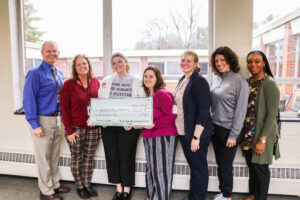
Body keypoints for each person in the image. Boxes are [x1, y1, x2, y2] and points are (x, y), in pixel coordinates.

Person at [23, 41, 70, 200]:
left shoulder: (58, 71)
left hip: (56, 119)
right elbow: (28, 100)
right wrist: (34, 124)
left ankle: (55, 184)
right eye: (48, 51)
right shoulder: (35, 73)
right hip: (42, 120)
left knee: (54, 155)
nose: (52, 54)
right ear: (42, 53)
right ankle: (46, 191)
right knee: (43, 157)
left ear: (58, 52)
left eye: (54, 51)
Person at [98, 52, 145, 200]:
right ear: (112, 66)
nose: (117, 65)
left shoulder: (137, 80)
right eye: (114, 63)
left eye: (120, 61)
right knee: (112, 157)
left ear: (125, 62)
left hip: (128, 127)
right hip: (109, 126)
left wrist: (131, 121)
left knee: (126, 157)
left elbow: (141, 103)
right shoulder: (106, 80)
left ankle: (127, 189)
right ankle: (118, 188)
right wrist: (101, 122)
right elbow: (101, 102)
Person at [210, 46, 249, 200]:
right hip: (215, 128)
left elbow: (241, 110)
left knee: (226, 165)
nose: (219, 63)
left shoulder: (239, 81)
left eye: (222, 60)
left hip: (230, 131)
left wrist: (234, 134)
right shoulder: (215, 78)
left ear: (229, 60)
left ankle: (227, 196)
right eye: (216, 60)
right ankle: (223, 192)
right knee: (220, 163)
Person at [173, 50, 213, 200]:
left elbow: (204, 111)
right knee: (194, 167)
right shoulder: (182, 79)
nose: (185, 63)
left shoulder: (199, 81)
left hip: (197, 133)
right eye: (183, 60)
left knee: (199, 168)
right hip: (184, 131)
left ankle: (198, 198)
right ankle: (193, 197)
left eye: (189, 61)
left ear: (196, 64)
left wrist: (196, 136)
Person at [241, 51, 280, 200]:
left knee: (261, 168)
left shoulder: (269, 83)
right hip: (248, 133)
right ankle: (253, 196)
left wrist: (262, 140)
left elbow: (271, 115)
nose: (253, 65)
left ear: (264, 63)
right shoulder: (248, 82)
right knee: (253, 167)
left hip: (262, 134)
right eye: (250, 62)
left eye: (257, 61)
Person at [60, 54, 101, 199]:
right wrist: (69, 131)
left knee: (89, 157)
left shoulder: (96, 82)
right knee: (77, 158)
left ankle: (87, 184)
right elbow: (64, 109)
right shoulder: (69, 84)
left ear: (89, 65)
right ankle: (80, 186)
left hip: (93, 128)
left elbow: (100, 105)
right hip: (75, 129)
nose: (82, 66)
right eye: (78, 64)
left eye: (84, 63)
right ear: (75, 68)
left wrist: (100, 123)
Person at [140, 66, 178, 200]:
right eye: (145, 76)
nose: (148, 79)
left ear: (157, 78)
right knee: (151, 170)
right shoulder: (146, 95)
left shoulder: (163, 93)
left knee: (161, 171)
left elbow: (172, 114)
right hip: (148, 136)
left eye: (151, 76)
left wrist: (154, 125)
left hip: (163, 136)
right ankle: (152, 197)